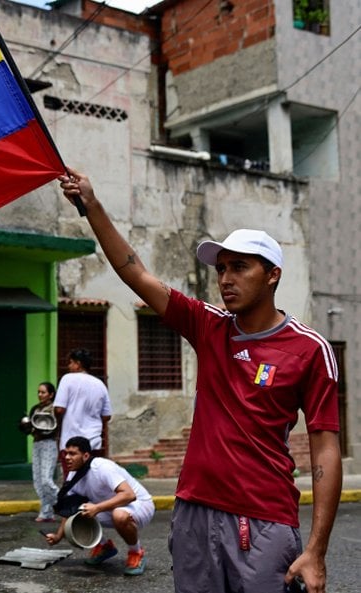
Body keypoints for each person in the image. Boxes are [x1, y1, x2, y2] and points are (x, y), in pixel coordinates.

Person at [59, 168, 341, 593]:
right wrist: (92, 206)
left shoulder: (308, 348)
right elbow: (135, 272)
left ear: (272, 274)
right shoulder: (209, 326)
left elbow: (325, 447)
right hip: (194, 513)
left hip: (262, 517)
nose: (226, 278)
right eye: (222, 268)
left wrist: (317, 550)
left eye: (240, 267)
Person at [43, 436, 155, 576]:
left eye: (72, 453)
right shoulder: (73, 476)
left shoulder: (101, 467)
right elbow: (70, 510)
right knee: (77, 514)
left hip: (139, 504)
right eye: (66, 453)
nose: (66, 457)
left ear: (85, 455)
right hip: (111, 507)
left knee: (119, 515)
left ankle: (136, 552)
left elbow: (129, 495)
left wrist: (97, 508)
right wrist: (58, 536)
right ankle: (105, 547)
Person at [53, 348, 111, 478]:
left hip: (71, 443)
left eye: (71, 362)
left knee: (71, 483)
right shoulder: (100, 384)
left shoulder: (67, 379)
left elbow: (59, 409)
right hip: (94, 442)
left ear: (78, 363)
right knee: (92, 481)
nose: (69, 366)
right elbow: (107, 416)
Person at [23, 381, 59, 522]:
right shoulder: (35, 409)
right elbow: (31, 428)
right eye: (39, 392)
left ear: (51, 394)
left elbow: (54, 427)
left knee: (46, 480)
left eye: (43, 392)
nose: (40, 395)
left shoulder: (54, 409)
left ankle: (65, 502)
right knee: (37, 480)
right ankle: (46, 512)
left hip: (49, 444)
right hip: (37, 444)